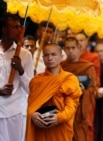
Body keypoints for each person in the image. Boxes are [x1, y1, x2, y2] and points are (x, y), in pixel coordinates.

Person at [26, 43, 82, 141]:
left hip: (60, 127)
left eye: (53, 54)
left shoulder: (69, 79)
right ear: (42, 58)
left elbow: (72, 106)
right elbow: (31, 105)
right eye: (46, 55)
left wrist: (59, 118)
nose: (50, 58)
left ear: (61, 56)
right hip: (40, 127)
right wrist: (32, 115)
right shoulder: (36, 81)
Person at [0, 13, 34, 141]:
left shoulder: (25, 55)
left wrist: (21, 70)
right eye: (15, 27)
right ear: (4, 29)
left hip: (13, 113)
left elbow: (31, 89)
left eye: (20, 26)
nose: (19, 30)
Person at [61, 37, 97, 141]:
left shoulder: (88, 67)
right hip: (64, 109)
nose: (70, 51)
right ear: (64, 49)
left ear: (79, 48)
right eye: (68, 48)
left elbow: (93, 89)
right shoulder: (60, 66)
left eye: (73, 48)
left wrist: (82, 91)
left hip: (80, 111)